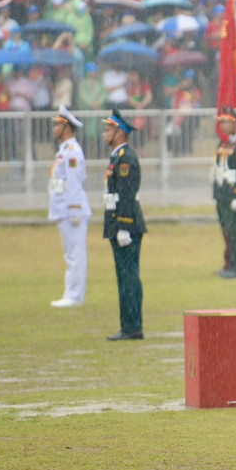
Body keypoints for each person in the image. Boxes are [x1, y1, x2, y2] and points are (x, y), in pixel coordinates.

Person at [102, 108, 146, 340]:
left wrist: (123, 226)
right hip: (118, 223)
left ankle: (132, 327)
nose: (104, 133)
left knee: (129, 277)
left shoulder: (126, 158)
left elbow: (128, 194)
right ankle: (128, 325)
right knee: (124, 276)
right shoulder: (117, 157)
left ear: (119, 132)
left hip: (125, 225)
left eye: (108, 129)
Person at [48, 105, 89, 308]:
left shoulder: (72, 151)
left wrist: (74, 209)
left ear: (67, 127)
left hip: (72, 208)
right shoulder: (64, 150)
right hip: (63, 207)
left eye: (57, 124)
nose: (54, 128)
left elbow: (74, 180)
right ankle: (71, 293)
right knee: (70, 253)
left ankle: (74, 295)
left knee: (75, 254)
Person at [212, 108, 236, 278]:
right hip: (224, 195)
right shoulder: (225, 143)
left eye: (226, 122)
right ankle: (230, 264)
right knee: (228, 232)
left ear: (235, 123)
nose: (222, 125)